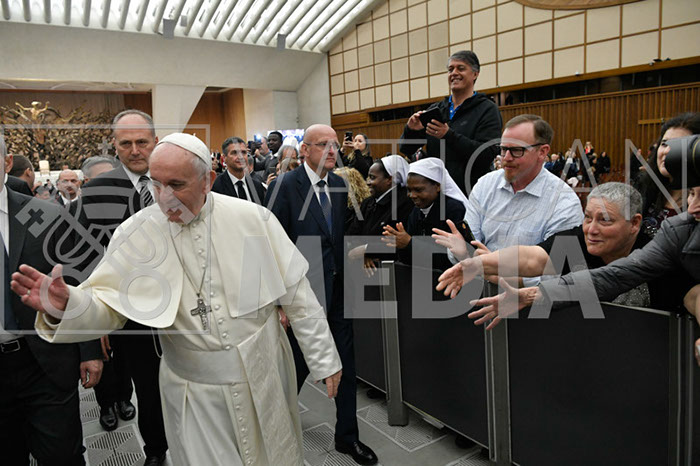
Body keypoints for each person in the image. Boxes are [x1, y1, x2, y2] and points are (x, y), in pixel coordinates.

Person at [12, 132, 343, 466]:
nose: (164, 197)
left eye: (176, 184)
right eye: (156, 184)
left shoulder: (252, 219)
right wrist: (67, 305)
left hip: (264, 374)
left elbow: (297, 294)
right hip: (193, 392)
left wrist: (323, 357)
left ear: (207, 180)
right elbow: (107, 307)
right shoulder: (137, 232)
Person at [265, 124, 378, 465]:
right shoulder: (286, 186)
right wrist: (279, 301)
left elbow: (339, 237)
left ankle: (347, 437)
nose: (332, 150)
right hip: (302, 295)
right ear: (305, 151)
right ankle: (274, 430)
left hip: (338, 292)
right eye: (323, 144)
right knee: (295, 368)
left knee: (345, 365)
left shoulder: (340, 185)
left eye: (335, 145)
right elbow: (272, 245)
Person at [0, 134, 103, 465]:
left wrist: (89, 349)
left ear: (6, 162)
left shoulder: (44, 214)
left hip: (44, 361)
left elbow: (75, 281)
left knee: (63, 456)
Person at [72, 109, 168, 465]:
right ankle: (155, 451)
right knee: (147, 386)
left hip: (186, 308)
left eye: (142, 141)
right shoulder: (95, 192)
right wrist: (94, 322)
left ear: (155, 141)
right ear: (114, 145)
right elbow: (84, 262)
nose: (135, 150)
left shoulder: (176, 178)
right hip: (130, 315)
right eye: (126, 143)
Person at [438, 183, 691, 317]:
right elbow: (531, 258)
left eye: (605, 220)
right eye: (587, 217)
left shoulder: (660, 252)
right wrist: (477, 264)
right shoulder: (577, 239)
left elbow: (691, 295)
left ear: (634, 223)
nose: (591, 229)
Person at [435, 115, 583, 268]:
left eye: (516, 150)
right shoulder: (485, 185)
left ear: (542, 152)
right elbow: (469, 246)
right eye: (503, 149)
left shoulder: (564, 203)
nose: (506, 158)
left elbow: (558, 269)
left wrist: (496, 267)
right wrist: (463, 252)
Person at [398, 50, 502, 195]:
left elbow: (486, 155)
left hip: (471, 193)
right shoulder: (436, 110)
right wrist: (411, 130)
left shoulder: (487, 109)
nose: (454, 73)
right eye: (450, 69)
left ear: (475, 74)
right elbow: (406, 149)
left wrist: (448, 135)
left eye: (461, 68)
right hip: (437, 194)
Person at [383, 158, 470, 272]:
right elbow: (408, 259)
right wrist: (401, 244)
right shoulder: (416, 211)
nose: (412, 195)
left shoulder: (454, 209)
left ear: (437, 186)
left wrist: (410, 243)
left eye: (418, 190)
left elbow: (451, 257)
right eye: (409, 190)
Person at [636, 112, 700, 237]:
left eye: (677, 145)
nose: (666, 151)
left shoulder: (696, 202)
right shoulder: (644, 186)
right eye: (664, 144)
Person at [347, 155, 414, 271]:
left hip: (391, 270)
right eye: (368, 177)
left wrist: (367, 250)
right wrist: (363, 254)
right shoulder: (368, 202)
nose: (368, 182)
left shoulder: (405, 203)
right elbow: (352, 234)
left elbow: (396, 242)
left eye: (372, 177)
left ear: (389, 179)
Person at [212, 137, 266, 204]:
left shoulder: (257, 186)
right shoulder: (215, 187)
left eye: (243, 152)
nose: (240, 157)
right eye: (234, 153)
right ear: (224, 158)